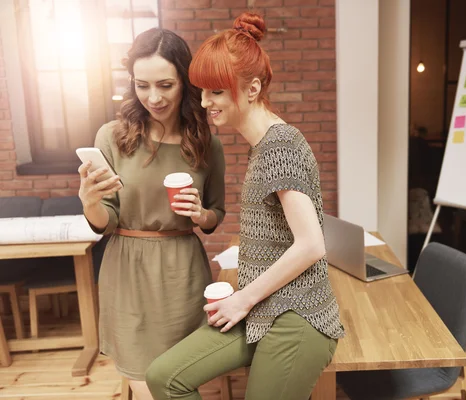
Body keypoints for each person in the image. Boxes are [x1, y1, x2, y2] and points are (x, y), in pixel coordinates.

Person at [145, 11, 345, 400]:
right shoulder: (263, 144)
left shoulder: (279, 146)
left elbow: (311, 244)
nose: (205, 102)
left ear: (251, 89)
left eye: (216, 92)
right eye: (202, 91)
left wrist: (243, 297)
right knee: (164, 377)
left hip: (297, 315)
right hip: (263, 307)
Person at [78, 28, 226, 400]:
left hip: (183, 271)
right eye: (142, 86)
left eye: (165, 85)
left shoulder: (207, 143)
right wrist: (90, 202)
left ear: (184, 82)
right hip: (128, 270)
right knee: (147, 383)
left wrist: (199, 213)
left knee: (177, 377)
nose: (154, 97)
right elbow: (106, 221)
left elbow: (216, 215)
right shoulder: (112, 137)